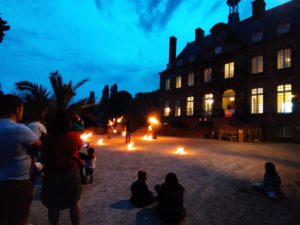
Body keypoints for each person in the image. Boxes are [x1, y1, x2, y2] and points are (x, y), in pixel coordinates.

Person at [0, 94, 41, 225]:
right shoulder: (19, 129)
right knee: (19, 218)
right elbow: (40, 145)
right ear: (18, 109)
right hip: (18, 182)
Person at [41, 111, 82, 225]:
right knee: (74, 202)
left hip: (52, 172)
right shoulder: (75, 137)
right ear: (68, 123)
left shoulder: (47, 139)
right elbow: (78, 147)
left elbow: (43, 153)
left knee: (53, 206)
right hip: (71, 172)